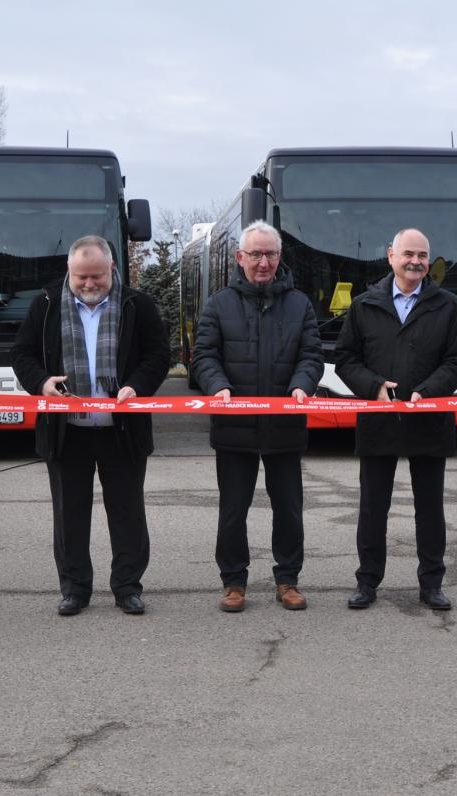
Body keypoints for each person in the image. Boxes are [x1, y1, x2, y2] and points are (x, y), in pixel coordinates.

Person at [11, 235, 169, 616]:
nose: (89, 284)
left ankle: (127, 587)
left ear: (112, 269)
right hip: (67, 432)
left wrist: (137, 385)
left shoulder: (137, 304)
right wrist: (42, 383)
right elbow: (22, 353)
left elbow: (159, 354)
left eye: (97, 276)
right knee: (69, 515)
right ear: (69, 271)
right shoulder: (47, 304)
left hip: (122, 430)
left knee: (128, 512)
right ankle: (75, 588)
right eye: (81, 277)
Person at [191, 220, 324, 612]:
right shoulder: (218, 304)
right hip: (234, 428)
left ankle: (288, 579)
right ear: (240, 258)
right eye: (255, 254)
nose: (263, 262)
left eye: (270, 254)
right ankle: (234, 582)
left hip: (285, 427)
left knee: (289, 508)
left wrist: (303, 384)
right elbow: (204, 357)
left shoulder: (299, 304)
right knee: (233, 510)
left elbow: (311, 356)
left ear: (279, 257)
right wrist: (218, 386)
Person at [335, 228, 457, 611]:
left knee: (430, 508)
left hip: (429, 419)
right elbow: (346, 359)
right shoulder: (363, 305)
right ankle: (367, 582)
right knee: (372, 508)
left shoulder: (448, 305)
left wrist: (428, 391)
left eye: (423, 256)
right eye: (409, 253)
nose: (416, 261)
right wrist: (374, 387)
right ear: (391, 255)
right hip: (378, 420)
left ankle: (431, 584)